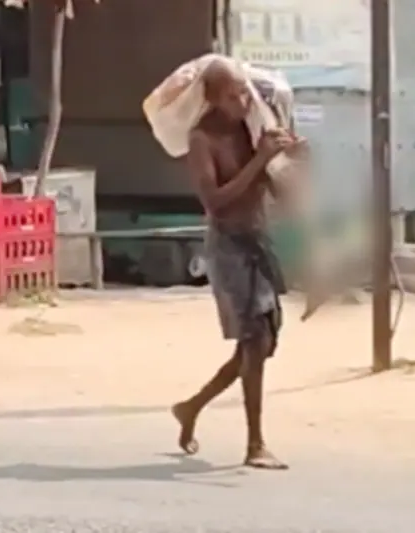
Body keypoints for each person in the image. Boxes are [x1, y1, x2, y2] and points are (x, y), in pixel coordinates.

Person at [171, 59, 301, 469]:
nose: (242, 101)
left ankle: (191, 407)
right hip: (228, 245)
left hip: (258, 239)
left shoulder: (251, 132)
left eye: (245, 92)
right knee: (254, 341)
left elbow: (277, 190)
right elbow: (215, 201)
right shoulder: (201, 140)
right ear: (211, 97)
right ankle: (255, 443)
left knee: (262, 343)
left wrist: (290, 160)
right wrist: (259, 161)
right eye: (233, 94)